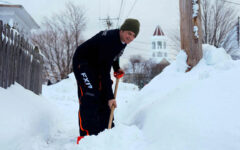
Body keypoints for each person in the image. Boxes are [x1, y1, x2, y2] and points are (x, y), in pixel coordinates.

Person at [72, 18, 140, 143]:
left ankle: (104, 130)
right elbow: (104, 72)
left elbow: (115, 56)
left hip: (96, 64)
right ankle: (86, 136)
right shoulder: (109, 40)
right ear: (122, 30)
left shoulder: (122, 42)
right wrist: (110, 97)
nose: (130, 37)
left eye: (134, 36)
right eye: (129, 33)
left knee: (103, 94)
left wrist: (117, 68)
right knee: (90, 94)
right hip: (83, 62)